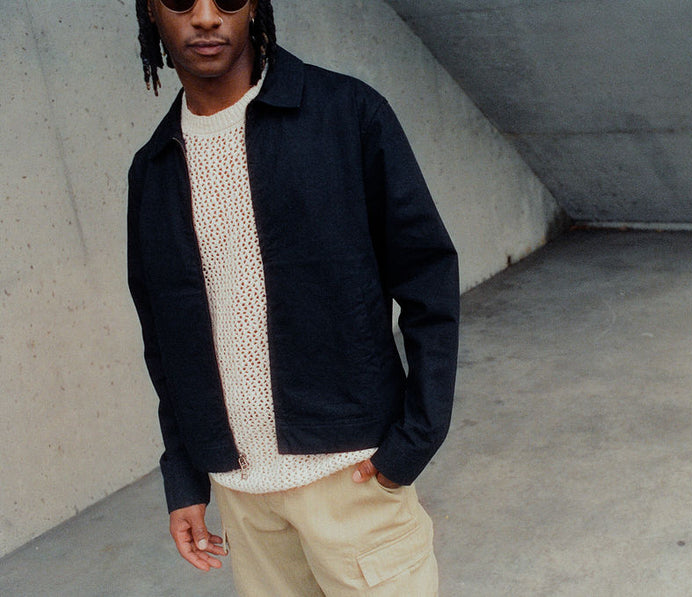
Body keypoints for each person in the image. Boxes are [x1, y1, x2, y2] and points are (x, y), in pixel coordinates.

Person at [127, 0, 459, 594]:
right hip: (241, 496)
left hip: (352, 477)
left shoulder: (346, 114)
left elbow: (427, 279)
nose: (206, 16)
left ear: (255, 5)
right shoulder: (152, 170)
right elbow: (164, 339)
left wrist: (416, 438)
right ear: (151, 11)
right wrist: (184, 475)